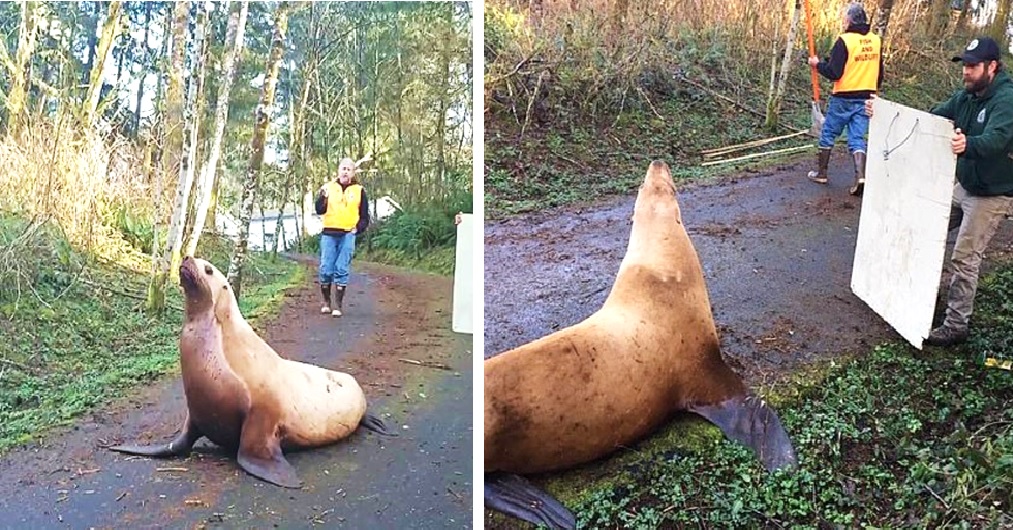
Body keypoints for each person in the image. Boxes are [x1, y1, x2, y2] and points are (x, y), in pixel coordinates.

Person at [867, 36, 1013, 347]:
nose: (966, 72)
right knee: (923, 227)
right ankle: (917, 295)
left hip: (993, 193)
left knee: (964, 257)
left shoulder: (1006, 99)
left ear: (992, 66)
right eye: (964, 66)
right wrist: (882, 114)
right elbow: (934, 115)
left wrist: (968, 144)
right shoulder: (967, 97)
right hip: (965, 184)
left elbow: (998, 139)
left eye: (973, 67)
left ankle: (956, 325)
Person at [807, 2, 883, 196]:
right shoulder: (876, 41)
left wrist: (817, 64)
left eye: (844, 18)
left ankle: (822, 173)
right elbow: (879, 73)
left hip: (843, 97)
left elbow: (834, 73)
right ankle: (860, 176)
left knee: (828, 133)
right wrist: (875, 93)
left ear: (849, 19)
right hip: (867, 97)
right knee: (857, 138)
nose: (843, 21)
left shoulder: (845, 40)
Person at [315, 157, 370, 317]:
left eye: (348, 169)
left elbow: (365, 216)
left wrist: (357, 229)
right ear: (338, 170)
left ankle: (338, 305)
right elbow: (319, 209)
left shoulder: (359, 190)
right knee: (326, 268)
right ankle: (326, 302)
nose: (345, 172)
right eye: (343, 168)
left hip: (347, 233)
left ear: (353, 173)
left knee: (342, 268)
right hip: (329, 233)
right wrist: (323, 197)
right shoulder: (328, 188)